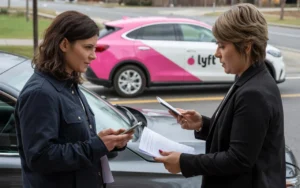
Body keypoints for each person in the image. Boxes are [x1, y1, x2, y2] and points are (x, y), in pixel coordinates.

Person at [155, 3, 285, 188]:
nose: (217, 53)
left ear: (246, 46)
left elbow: (238, 159)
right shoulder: (248, 79)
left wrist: (184, 163)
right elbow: (242, 135)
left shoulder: (254, 92)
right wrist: (203, 124)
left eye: (222, 46)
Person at [14, 11, 133, 188]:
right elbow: (40, 157)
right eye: (87, 47)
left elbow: (73, 139)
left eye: (94, 48)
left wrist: (107, 143)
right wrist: (95, 146)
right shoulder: (40, 94)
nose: (93, 55)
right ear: (64, 44)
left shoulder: (69, 84)